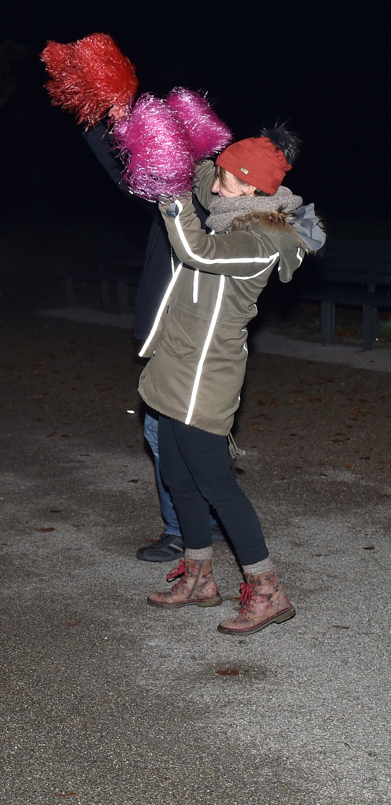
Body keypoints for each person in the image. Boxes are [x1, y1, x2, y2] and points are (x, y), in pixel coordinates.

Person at [139, 128, 325, 634]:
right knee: (177, 477)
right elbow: (201, 177)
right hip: (177, 364)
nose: (214, 190)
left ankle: (269, 591)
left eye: (225, 182)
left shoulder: (259, 241)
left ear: (247, 187)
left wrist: (170, 197)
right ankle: (200, 578)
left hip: (206, 376)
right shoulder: (232, 208)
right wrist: (171, 144)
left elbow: (195, 251)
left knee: (218, 485)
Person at [82, 124, 221, 562]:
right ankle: (196, 522)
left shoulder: (212, 200)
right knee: (166, 433)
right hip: (165, 334)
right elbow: (121, 169)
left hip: (189, 337)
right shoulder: (173, 189)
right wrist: (96, 120)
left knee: (173, 434)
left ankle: (186, 528)